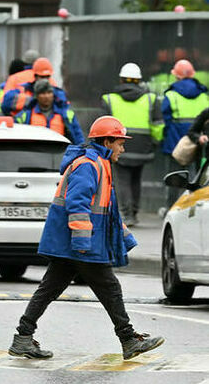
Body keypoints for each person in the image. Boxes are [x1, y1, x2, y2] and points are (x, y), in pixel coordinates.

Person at [8, 116, 164, 361]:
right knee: (109, 288)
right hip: (80, 243)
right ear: (108, 141)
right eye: (120, 143)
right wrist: (82, 242)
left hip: (74, 243)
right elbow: (77, 204)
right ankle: (129, 339)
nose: (122, 149)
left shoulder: (99, 164)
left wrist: (126, 238)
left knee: (49, 289)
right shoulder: (89, 165)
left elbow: (106, 211)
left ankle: (23, 338)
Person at [101, 63, 163, 226]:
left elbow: (104, 124)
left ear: (121, 80)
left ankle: (127, 214)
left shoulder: (110, 99)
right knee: (136, 179)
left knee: (123, 180)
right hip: (143, 147)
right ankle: (134, 212)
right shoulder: (150, 98)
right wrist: (155, 142)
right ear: (139, 80)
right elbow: (158, 126)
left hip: (119, 144)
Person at [162, 59, 209, 205]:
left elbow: (165, 120)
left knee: (174, 179)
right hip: (199, 144)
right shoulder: (204, 95)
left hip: (175, 144)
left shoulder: (171, 95)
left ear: (177, 76)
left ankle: (173, 208)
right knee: (197, 179)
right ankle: (194, 206)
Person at [15, 79, 84, 144]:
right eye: (42, 93)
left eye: (49, 92)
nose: (46, 96)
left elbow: (78, 136)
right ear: (36, 96)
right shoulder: (26, 115)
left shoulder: (66, 114)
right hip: (34, 153)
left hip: (60, 153)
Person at [0, 57, 67, 118]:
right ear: (35, 76)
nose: (45, 80)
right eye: (42, 77)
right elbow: (6, 103)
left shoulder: (58, 93)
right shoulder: (24, 89)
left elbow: (66, 111)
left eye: (47, 77)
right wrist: (34, 101)